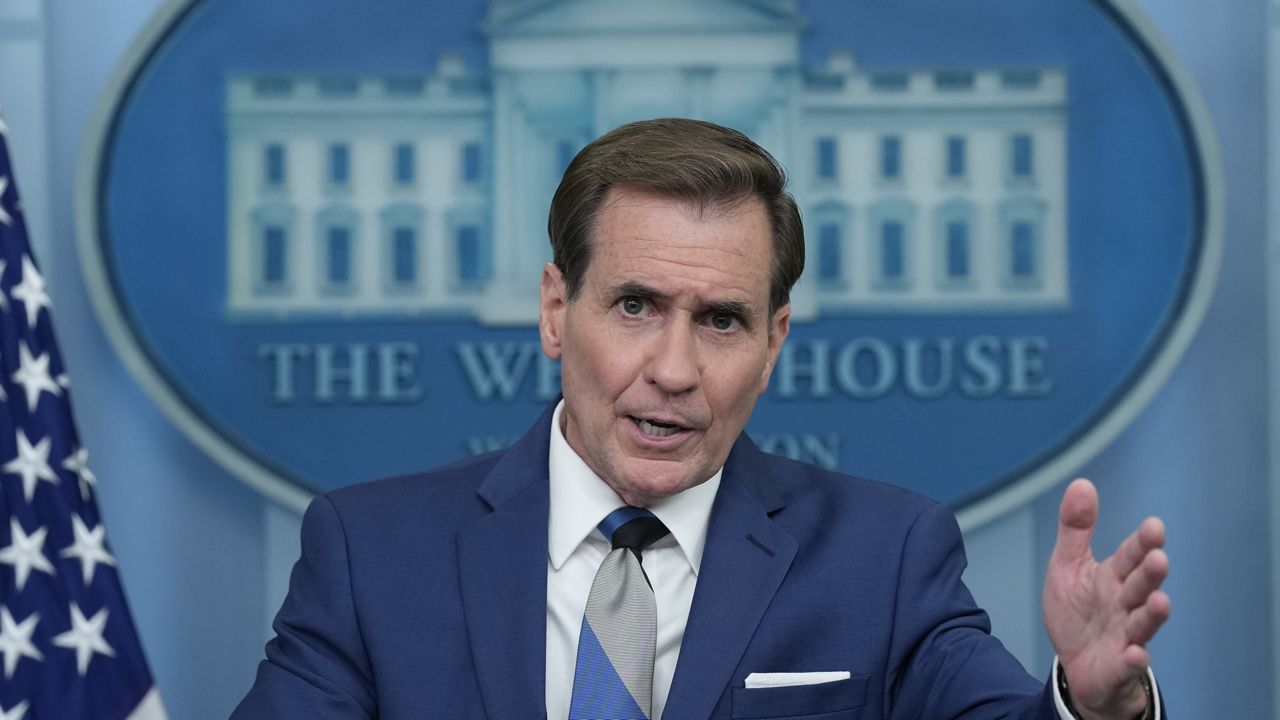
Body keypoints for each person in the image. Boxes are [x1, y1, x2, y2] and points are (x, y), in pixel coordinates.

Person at [232, 118, 1169, 719]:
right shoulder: (370, 554)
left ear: (774, 340)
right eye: (635, 306)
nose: (674, 370)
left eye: (720, 320)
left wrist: (1090, 709)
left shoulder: (884, 559)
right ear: (557, 311)